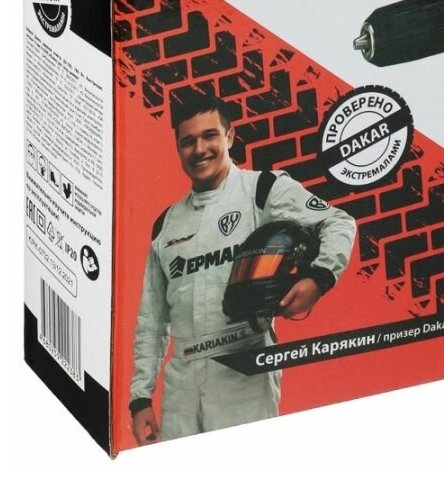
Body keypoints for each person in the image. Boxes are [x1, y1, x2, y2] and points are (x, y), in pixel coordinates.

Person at [129, 92, 356, 444]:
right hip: (181, 386)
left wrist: (320, 277)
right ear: (178, 148)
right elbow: (152, 318)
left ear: (230, 136)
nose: (199, 149)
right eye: (188, 141)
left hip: (244, 372)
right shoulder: (166, 224)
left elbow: (338, 222)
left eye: (210, 136)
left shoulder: (262, 189)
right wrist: (141, 397)